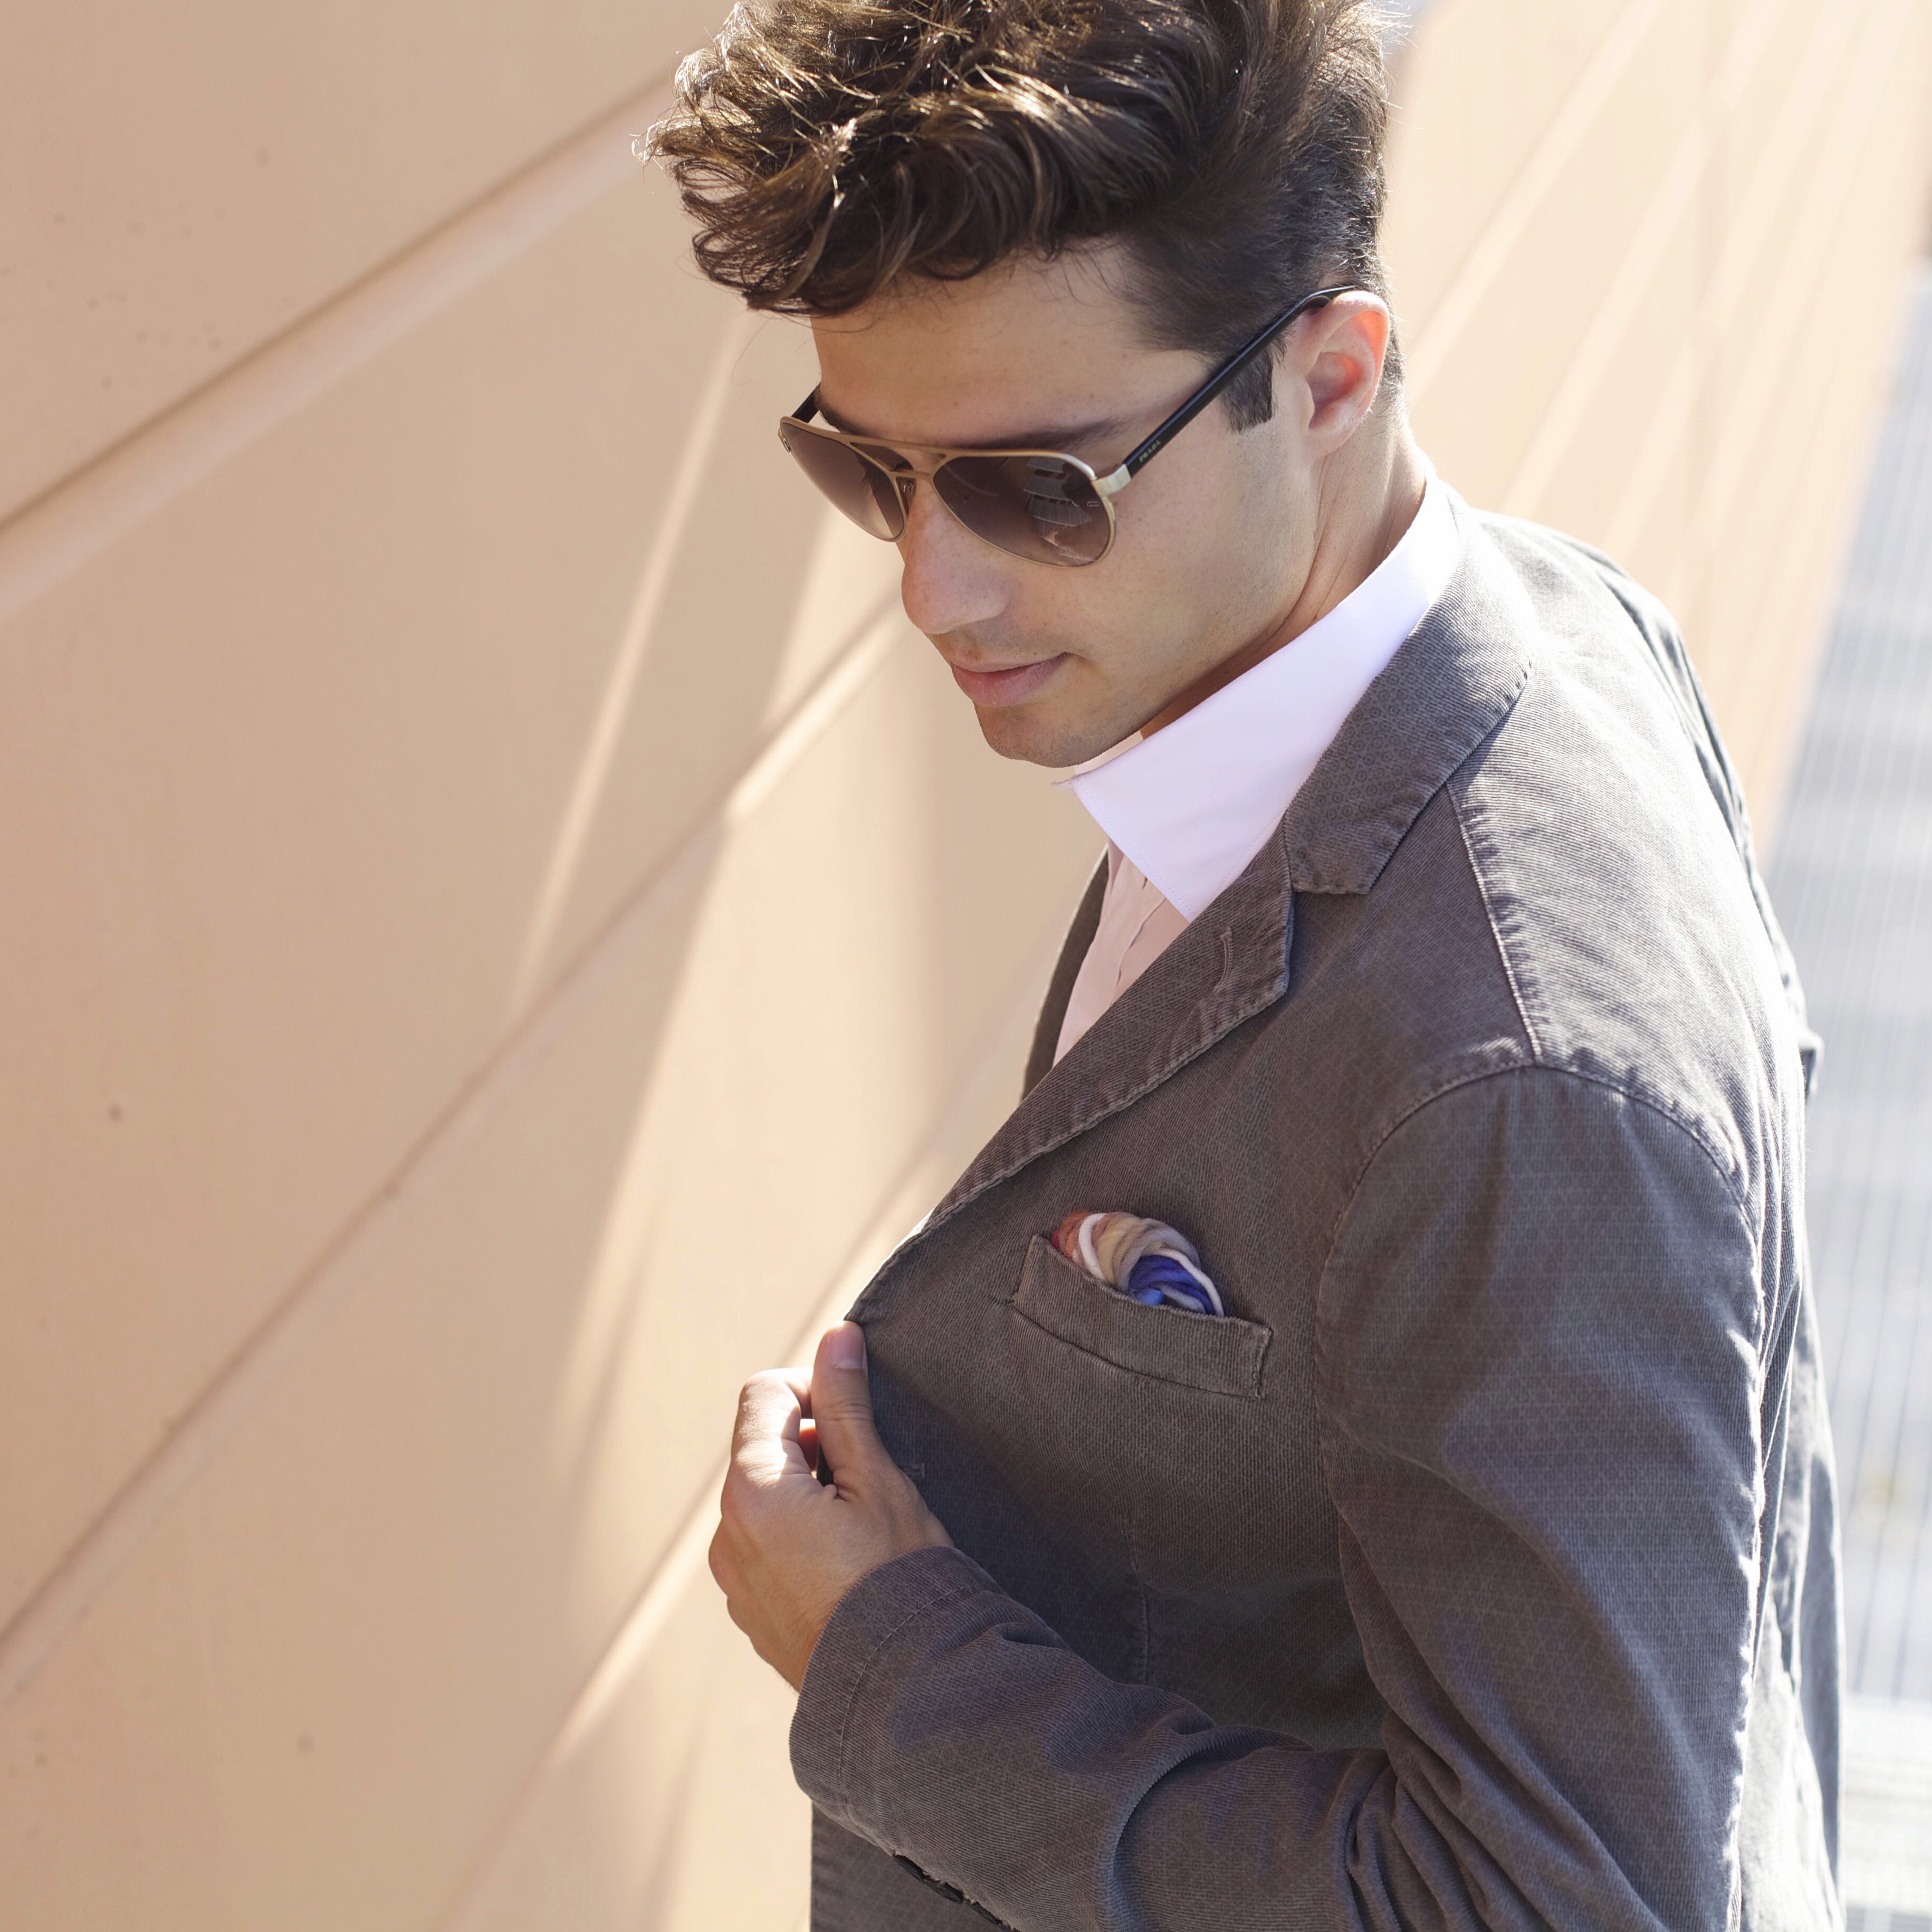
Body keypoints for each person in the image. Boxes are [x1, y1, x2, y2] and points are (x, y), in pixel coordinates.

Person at [647, 1, 1842, 1925]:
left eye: (1041, 487)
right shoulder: (1502, 616)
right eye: (869, 471)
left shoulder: (1513, 1079)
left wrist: (886, 1663)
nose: (933, 587)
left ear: (1333, 374)